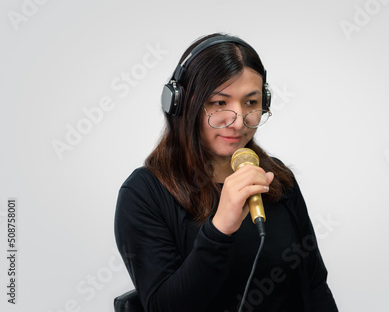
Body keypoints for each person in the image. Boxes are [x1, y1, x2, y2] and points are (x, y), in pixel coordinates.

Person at [114, 33, 339, 312]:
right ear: (183, 104)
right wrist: (219, 229)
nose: (238, 122)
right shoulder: (144, 193)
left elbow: (315, 285)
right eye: (219, 103)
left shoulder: (278, 180)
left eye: (251, 103)